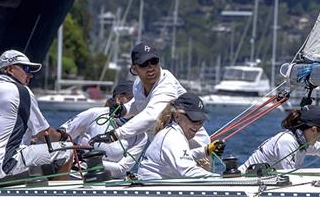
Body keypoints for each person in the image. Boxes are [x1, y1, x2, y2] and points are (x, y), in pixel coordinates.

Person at [90, 41, 224, 160]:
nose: (150, 68)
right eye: (144, 64)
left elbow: (152, 115)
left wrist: (115, 135)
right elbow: (138, 105)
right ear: (134, 69)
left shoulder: (167, 84)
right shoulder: (137, 85)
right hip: (166, 149)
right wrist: (123, 110)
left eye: (154, 61)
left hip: (195, 151)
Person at [0, 50, 72, 185]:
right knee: (67, 150)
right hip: (2, 169)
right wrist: (64, 137)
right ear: (10, 69)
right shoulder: (20, 91)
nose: (30, 75)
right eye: (27, 69)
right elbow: (46, 133)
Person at [57, 82, 147, 178]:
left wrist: (87, 160)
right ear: (119, 99)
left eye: (141, 101)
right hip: (76, 176)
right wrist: (71, 152)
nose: (137, 105)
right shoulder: (95, 114)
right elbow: (61, 136)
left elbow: (121, 169)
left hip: (110, 183)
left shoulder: (141, 135)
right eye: (132, 100)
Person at [239, 105, 320, 173]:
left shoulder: (301, 141)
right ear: (313, 129)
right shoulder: (287, 141)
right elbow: (290, 175)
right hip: (242, 182)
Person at [138, 93, 218, 180]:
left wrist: (206, 150)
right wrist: (220, 179)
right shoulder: (173, 138)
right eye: (194, 119)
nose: (198, 125)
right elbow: (187, 171)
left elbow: (181, 155)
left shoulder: (173, 133)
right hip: (151, 188)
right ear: (177, 116)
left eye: (201, 121)